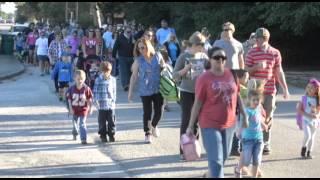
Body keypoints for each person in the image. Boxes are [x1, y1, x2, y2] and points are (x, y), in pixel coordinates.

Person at [186, 47, 248, 178]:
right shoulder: (204, 78)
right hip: (209, 124)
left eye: (223, 58)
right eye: (217, 57)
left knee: (223, 157)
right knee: (216, 159)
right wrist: (190, 125)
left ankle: (210, 174)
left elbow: (237, 95)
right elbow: (197, 103)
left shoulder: (231, 74)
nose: (220, 60)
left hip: (230, 123)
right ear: (210, 59)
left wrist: (245, 115)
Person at [245, 27, 290, 155]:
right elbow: (246, 70)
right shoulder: (252, 52)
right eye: (256, 39)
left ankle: (265, 142)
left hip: (270, 90)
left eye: (259, 39)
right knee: (253, 115)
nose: (256, 41)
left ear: (266, 39)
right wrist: (256, 67)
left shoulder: (275, 53)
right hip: (254, 91)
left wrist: (285, 89)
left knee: (268, 116)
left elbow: (279, 71)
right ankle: (253, 140)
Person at [172, 31, 209, 159]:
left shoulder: (204, 57)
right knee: (186, 120)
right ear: (194, 44)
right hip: (186, 92)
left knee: (197, 121)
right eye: (202, 44)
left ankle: (194, 148)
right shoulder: (183, 57)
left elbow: (211, 72)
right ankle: (183, 150)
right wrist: (186, 69)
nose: (203, 46)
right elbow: (174, 75)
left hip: (200, 93)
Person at [128, 38, 166, 144]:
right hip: (145, 90)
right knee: (147, 112)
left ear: (148, 46)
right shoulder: (138, 60)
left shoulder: (158, 56)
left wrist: (165, 68)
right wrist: (130, 92)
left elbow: (164, 68)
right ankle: (147, 133)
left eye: (143, 47)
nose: (141, 50)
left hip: (158, 88)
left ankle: (153, 126)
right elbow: (134, 76)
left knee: (159, 111)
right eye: (139, 48)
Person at [235, 89, 268, 178]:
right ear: (249, 100)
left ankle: (254, 176)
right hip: (248, 139)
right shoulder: (247, 111)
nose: (256, 102)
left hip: (258, 139)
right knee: (246, 161)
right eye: (254, 100)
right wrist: (239, 131)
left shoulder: (258, 110)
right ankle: (238, 168)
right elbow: (243, 122)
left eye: (258, 100)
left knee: (257, 160)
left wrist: (263, 125)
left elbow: (259, 120)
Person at [66, 69, 93, 145]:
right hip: (74, 109)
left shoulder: (86, 89)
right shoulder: (71, 89)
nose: (80, 81)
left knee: (82, 123)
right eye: (78, 79)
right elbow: (69, 100)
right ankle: (75, 133)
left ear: (84, 79)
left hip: (83, 109)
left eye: (82, 79)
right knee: (75, 124)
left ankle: (83, 139)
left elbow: (90, 99)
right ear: (74, 78)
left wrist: (90, 108)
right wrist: (70, 109)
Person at [93, 61, 117, 143]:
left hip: (110, 105)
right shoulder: (98, 80)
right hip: (102, 105)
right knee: (102, 122)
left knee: (112, 121)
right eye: (104, 71)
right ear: (101, 71)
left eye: (108, 71)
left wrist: (114, 101)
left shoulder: (113, 79)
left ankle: (111, 134)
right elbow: (95, 91)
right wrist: (96, 101)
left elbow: (114, 91)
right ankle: (103, 135)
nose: (106, 73)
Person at [297, 78, 320, 159]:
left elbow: (318, 110)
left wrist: (317, 115)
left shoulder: (318, 100)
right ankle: (303, 148)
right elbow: (299, 110)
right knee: (308, 135)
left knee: (312, 137)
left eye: (312, 88)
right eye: (308, 87)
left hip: (315, 121)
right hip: (305, 120)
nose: (309, 89)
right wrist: (308, 115)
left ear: (316, 90)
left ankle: (309, 152)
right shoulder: (303, 98)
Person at [112, 26, 135, 91]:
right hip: (122, 57)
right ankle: (125, 85)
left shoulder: (132, 38)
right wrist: (113, 56)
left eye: (130, 32)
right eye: (128, 32)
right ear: (124, 31)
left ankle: (129, 83)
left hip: (131, 57)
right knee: (124, 71)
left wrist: (134, 43)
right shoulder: (120, 38)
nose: (129, 33)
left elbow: (135, 47)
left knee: (130, 71)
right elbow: (115, 47)